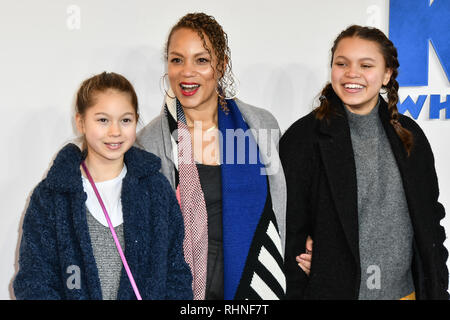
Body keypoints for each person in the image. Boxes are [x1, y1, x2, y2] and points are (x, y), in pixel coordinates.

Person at [280, 25, 449, 300]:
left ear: (386, 75)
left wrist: (438, 285)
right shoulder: (303, 139)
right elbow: (288, 227)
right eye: (341, 63)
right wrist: (320, 267)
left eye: (366, 65)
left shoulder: (410, 135)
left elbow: (430, 219)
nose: (352, 74)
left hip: (407, 295)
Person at [137, 12, 288, 300]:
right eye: (176, 59)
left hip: (251, 287)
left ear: (221, 65)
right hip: (181, 291)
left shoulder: (259, 125)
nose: (187, 72)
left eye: (201, 60)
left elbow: (280, 211)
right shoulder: (150, 142)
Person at [13, 72, 192, 300]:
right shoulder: (51, 196)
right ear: (81, 122)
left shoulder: (156, 189)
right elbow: (34, 282)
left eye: (125, 120)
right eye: (102, 120)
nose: (115, 131)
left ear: (136, 120)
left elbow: (176, 273)